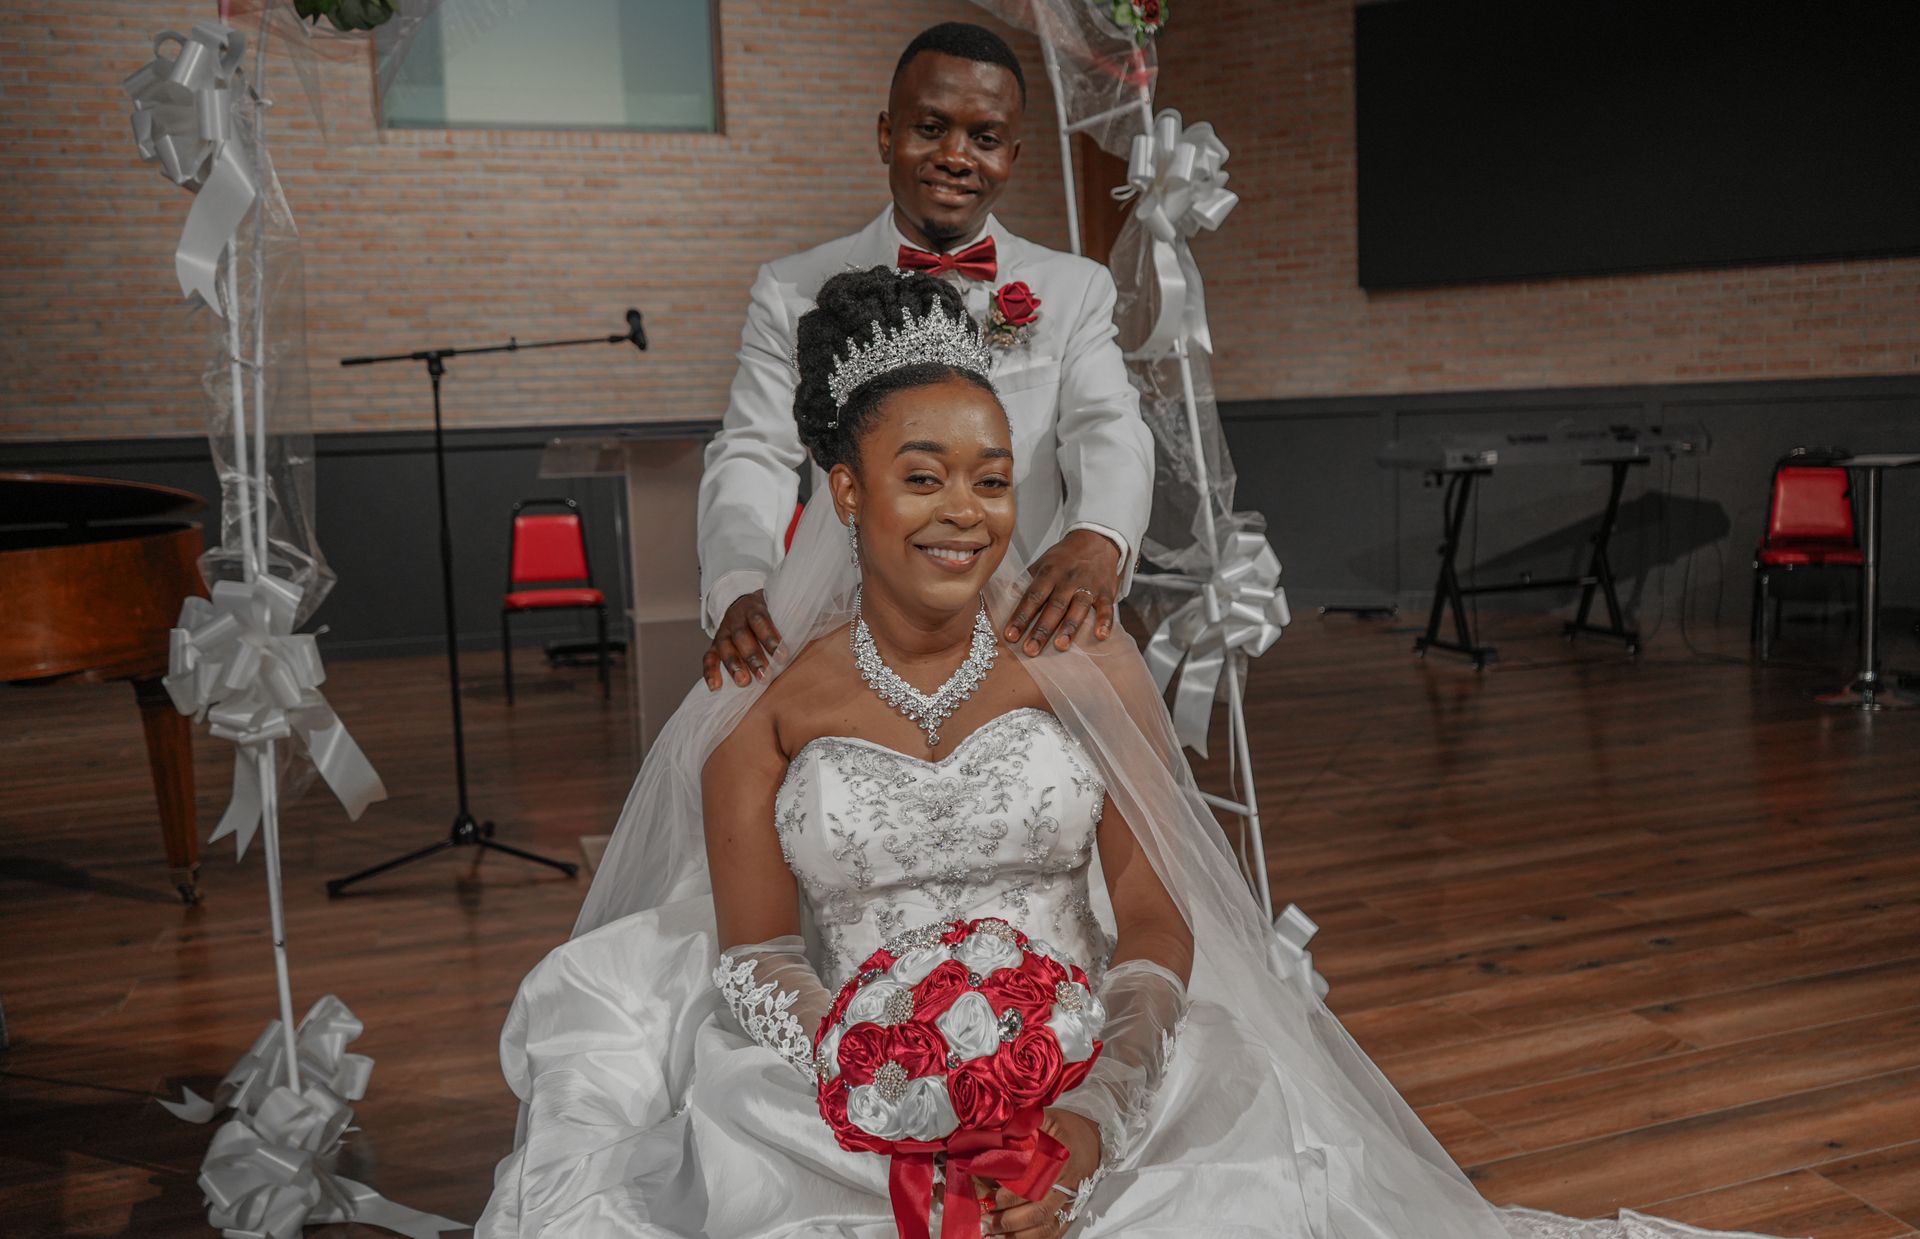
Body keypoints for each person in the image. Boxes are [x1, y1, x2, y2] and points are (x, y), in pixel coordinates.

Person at [477, 269, 1789, 1239]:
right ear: (848, 492)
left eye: (993, 477)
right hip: (842, 1073)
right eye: (923, 475)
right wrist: (893, 1086)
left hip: (1100, 1039)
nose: (968, 512)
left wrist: (1084, 1115)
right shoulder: (764, 700)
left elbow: (1156, 908)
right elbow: (758, 948)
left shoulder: (1086, 659)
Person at [696, 22, 1152, 692]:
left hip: (1023, 627)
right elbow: (754, 453)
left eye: (985, 138)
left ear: (1013, 154)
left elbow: (1109, 426)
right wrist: (739, 583)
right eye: (931, 127)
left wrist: (1099, 535)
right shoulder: (792, 288)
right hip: (845, 627)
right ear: (887, 134)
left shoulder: (1072, 288)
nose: (957, 155)